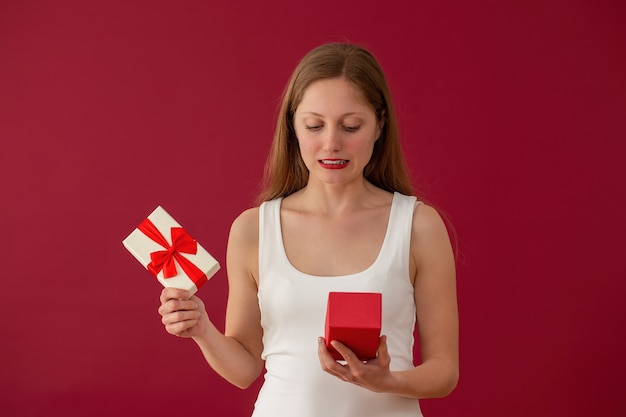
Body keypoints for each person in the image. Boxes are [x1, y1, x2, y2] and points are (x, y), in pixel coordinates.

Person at [158, 42, 458, 416]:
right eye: (314, 125)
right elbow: (245, 368)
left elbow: (445, 371)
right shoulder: (253, 229)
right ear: (293, 127)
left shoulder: (418, 226)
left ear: (380, 124)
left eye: (351, 126)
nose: (331, 143)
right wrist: (202, 329)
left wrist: (388, 382)